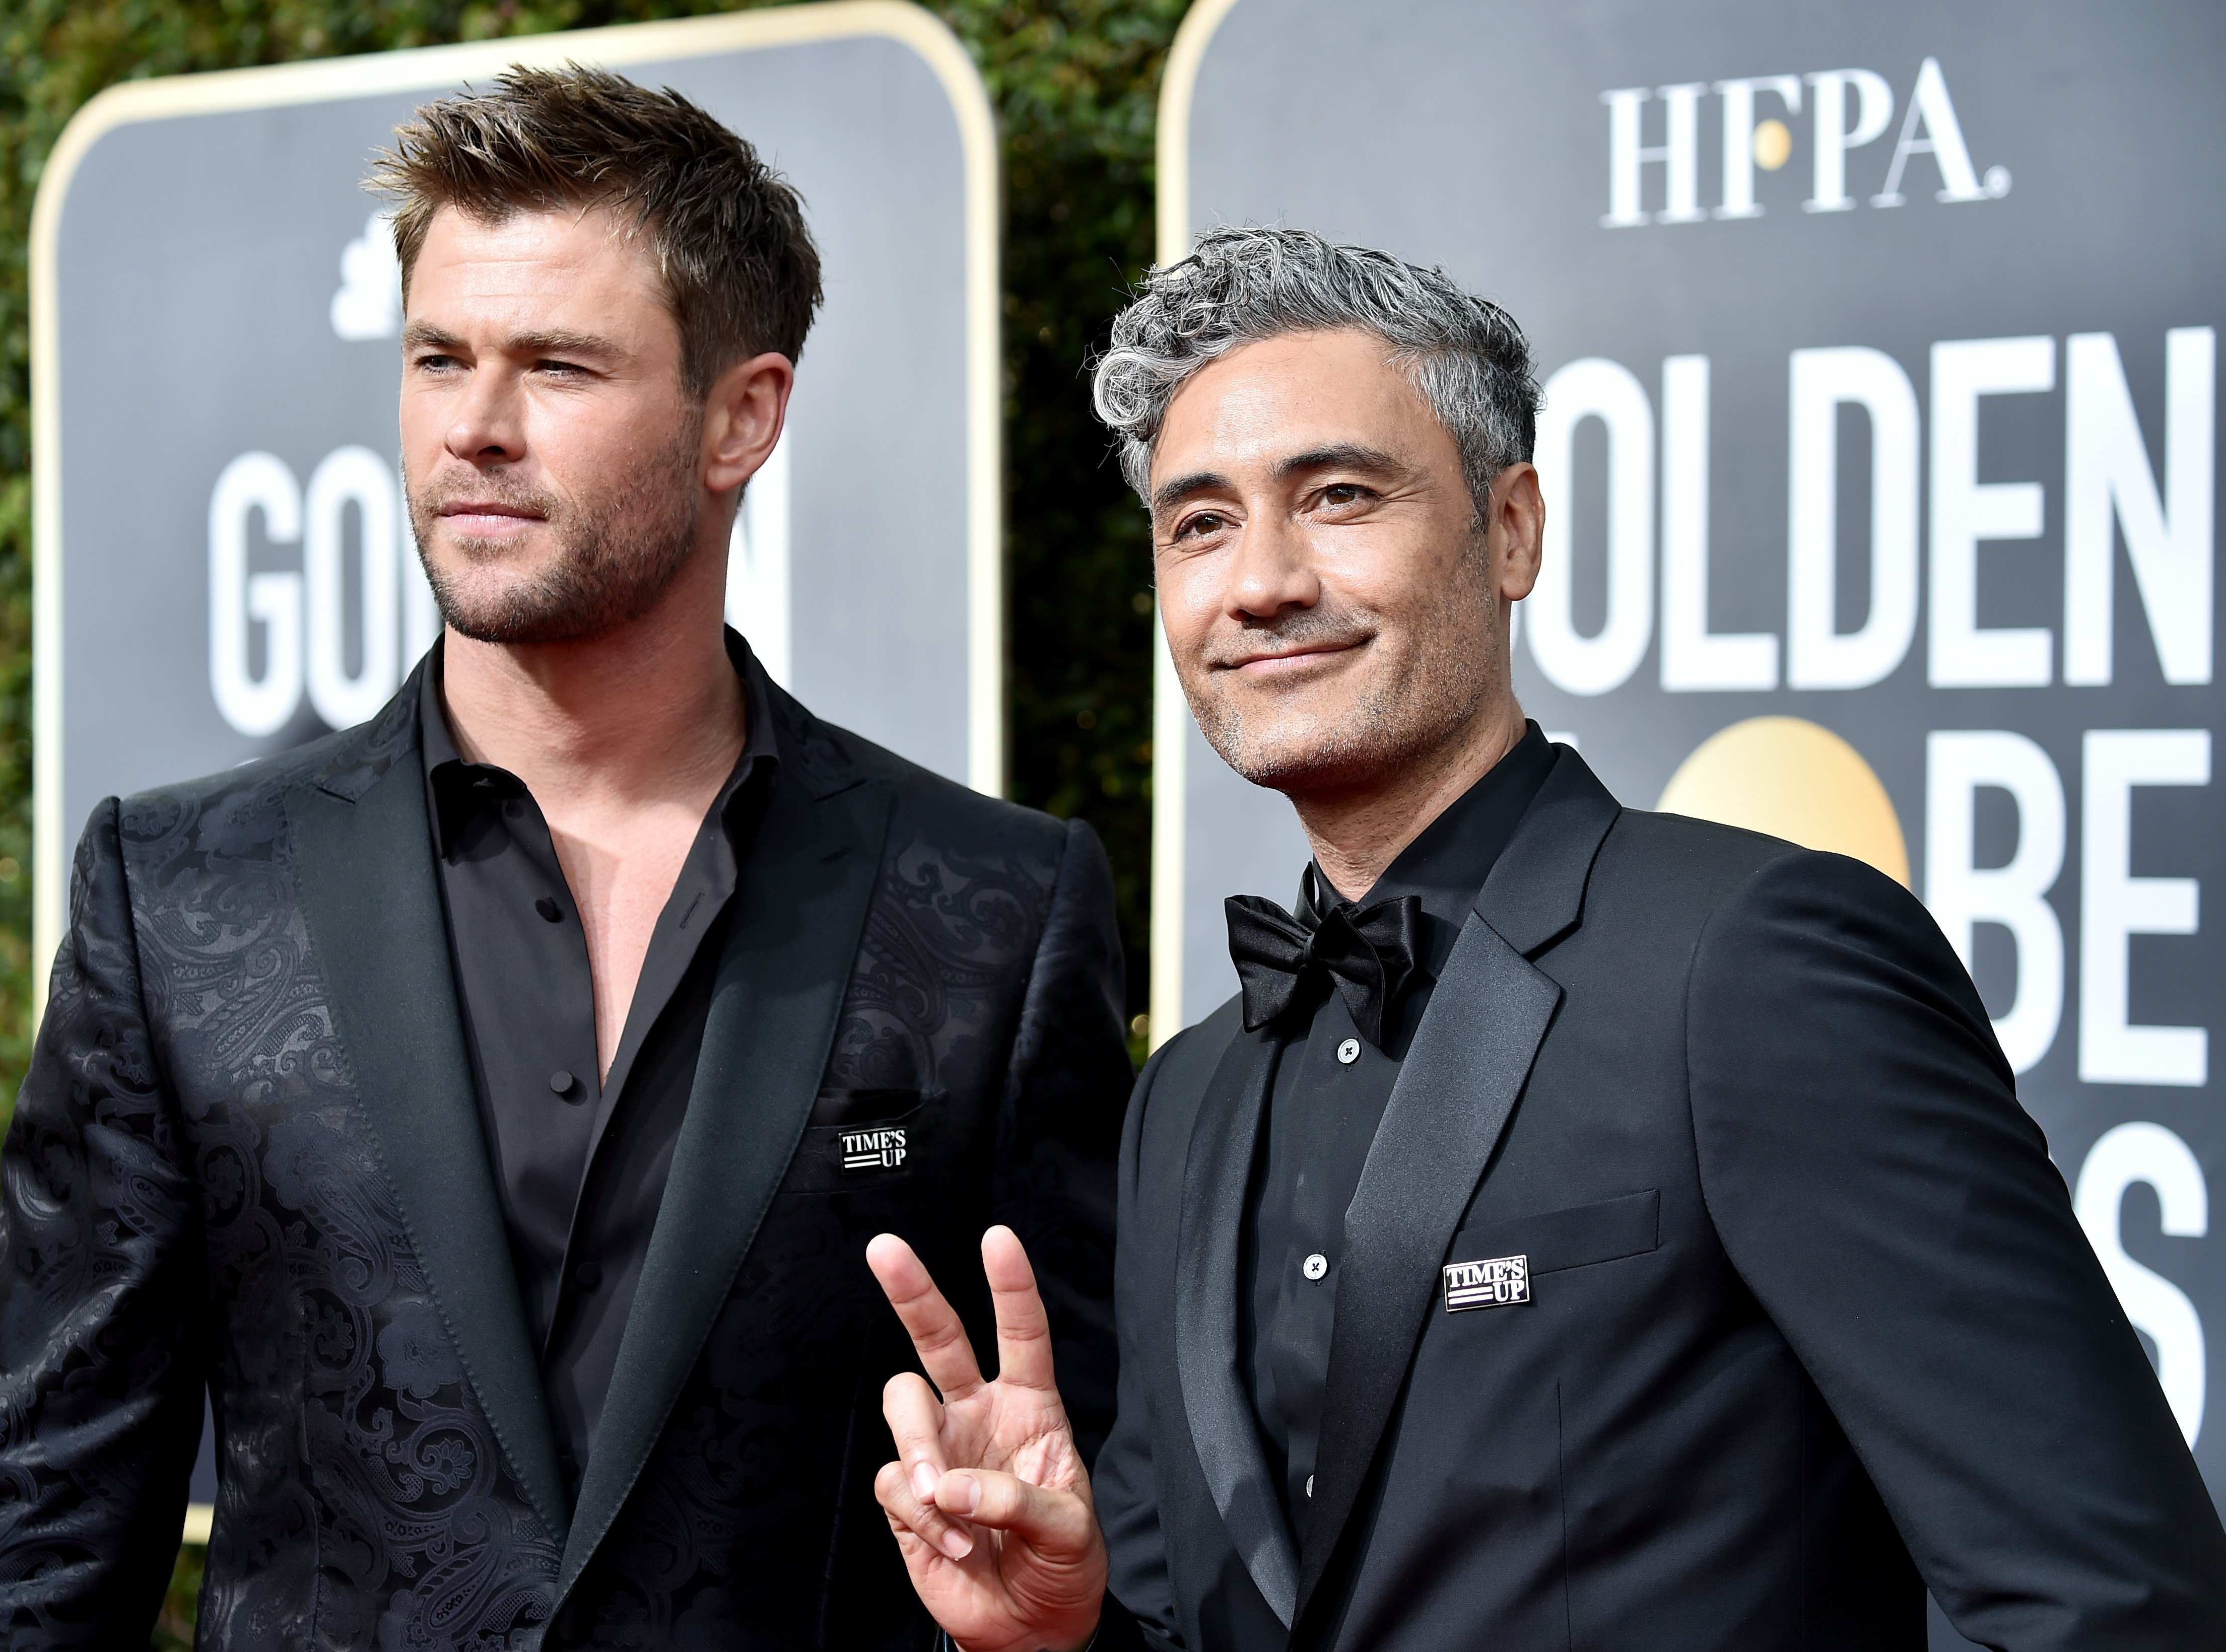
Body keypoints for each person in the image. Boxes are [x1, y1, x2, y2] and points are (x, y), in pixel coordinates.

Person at [863, 226, 2226, 1651]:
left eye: (1335, 496)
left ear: (1509, 530)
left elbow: (2111, 1603)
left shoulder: (1755, 963)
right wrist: (1060, 1634)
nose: (1257, 581)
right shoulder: (1185, 1100)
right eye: (1199, 523)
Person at [0, 67, 1131, 1650]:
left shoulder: (992, 915)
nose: (475, 428)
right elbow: (41, 1525)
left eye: (557, 365)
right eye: (439, 358)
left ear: (741, 416)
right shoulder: (183, 895)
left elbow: (1097, 1505)